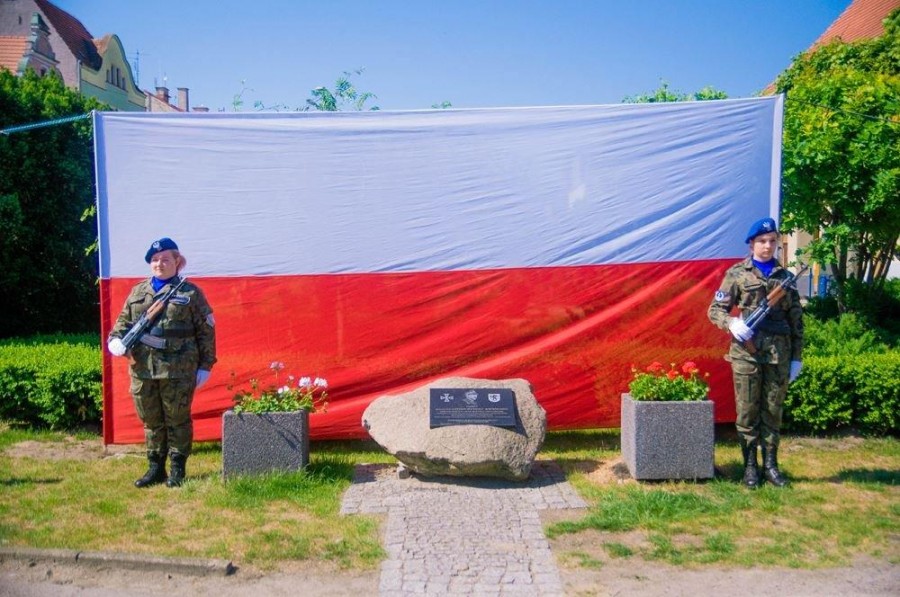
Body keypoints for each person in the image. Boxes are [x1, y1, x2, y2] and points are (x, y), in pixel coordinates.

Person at [107, 238, 216, 488]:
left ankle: (178, 469)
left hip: (178, 370)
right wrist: (115, 342)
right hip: (143, 369)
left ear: (177, 261)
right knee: (151, 421)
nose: (159, 264)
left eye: (165, 259)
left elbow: (206, 331)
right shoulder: (138, 292)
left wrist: (205, 365)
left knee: (177, 419)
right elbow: (121, 326)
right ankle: (155, 468)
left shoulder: (190, 293)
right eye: (155, 260)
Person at [707, 217, 803, 489]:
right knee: (748, 412)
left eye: (772, 241)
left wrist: (797, 357)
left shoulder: (785, 278)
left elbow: (796, 321)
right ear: (751, 244)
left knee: (773, 412)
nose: (767, 246)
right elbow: (715, 310)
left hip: (777, 354)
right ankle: (750, 467)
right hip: (746, 354)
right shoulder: (737, 274)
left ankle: (771, 466)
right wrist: (732, 323)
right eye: (762, 241)